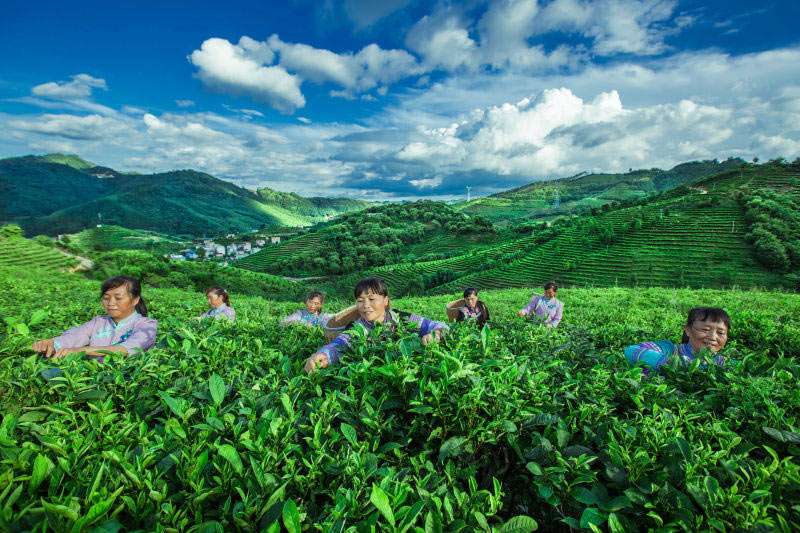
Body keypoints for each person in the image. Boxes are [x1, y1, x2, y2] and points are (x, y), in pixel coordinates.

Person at [304, 277, 449, 373]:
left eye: (372, 299)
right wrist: (323, 355)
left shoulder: (402, 319)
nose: (366, 305)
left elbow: (437, 325)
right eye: (360, 300)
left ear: (385, 300)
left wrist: (437, 333)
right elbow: (339, 344)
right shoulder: (357, 329)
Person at [31, 276, 157, 362]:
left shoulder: (147, 325)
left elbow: (125, 349)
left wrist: (82, 350)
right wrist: (53, 344)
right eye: (106, 298)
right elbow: (75, 336)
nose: (111, 303)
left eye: (118, 298)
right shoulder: (98, 322)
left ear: (135, 300)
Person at [624, 306, 730, 373]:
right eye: (705, 330)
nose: (712, 337)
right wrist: (671, 362)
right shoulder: (669, 350)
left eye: (720, 333)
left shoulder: (725, 364)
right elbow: (632, 350)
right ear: (688, 330)